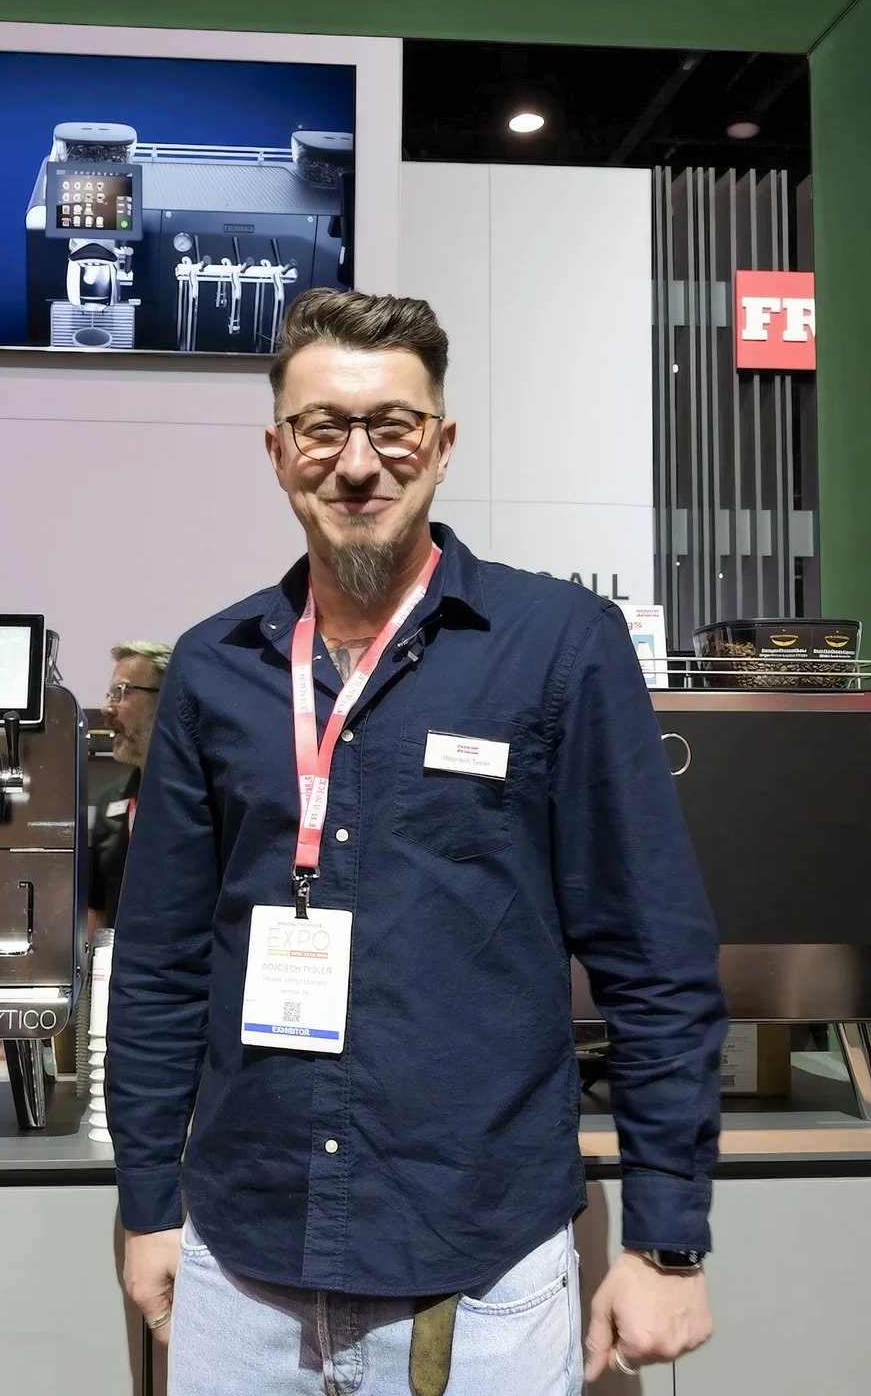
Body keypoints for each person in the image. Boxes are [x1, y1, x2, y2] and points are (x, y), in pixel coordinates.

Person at [105, 289, 726, 1393]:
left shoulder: (556, 648)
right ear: (275, 449)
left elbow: (654, 956)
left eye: (392, 424)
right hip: (241, 1271)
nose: (357, 461)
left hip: (482, 1272)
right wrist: (148, 1201)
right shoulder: (212, 667)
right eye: (321, 427)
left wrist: (664, 1236)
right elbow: (158, 966)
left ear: (441, 445)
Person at [88, 639, 171, 929]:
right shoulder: (112, 799)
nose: (106, 709)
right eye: (110, 694)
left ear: (168, 698)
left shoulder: (207, 794)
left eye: (121, 693)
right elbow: (94, 907)